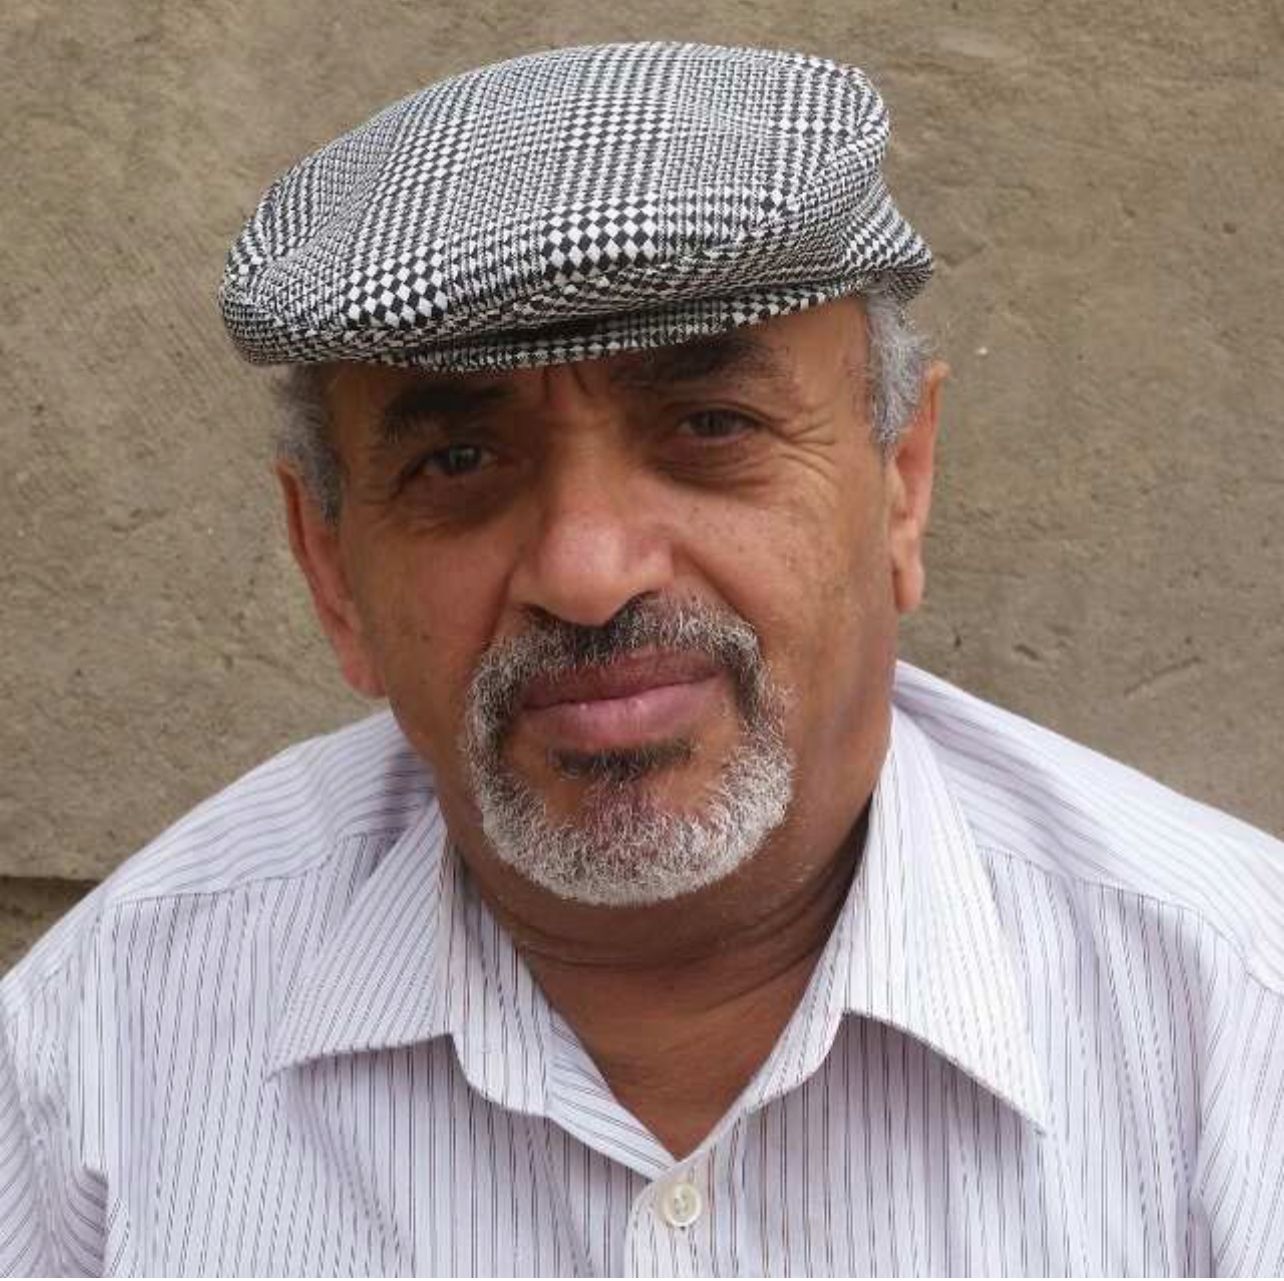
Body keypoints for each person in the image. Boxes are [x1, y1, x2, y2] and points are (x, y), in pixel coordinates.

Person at [1, 40, 1281, 1278]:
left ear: (902, 482)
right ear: (330, 565)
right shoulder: (99, 1058)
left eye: (710, 425)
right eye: (459, 460)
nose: (587, 569)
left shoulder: (1239, 1020)